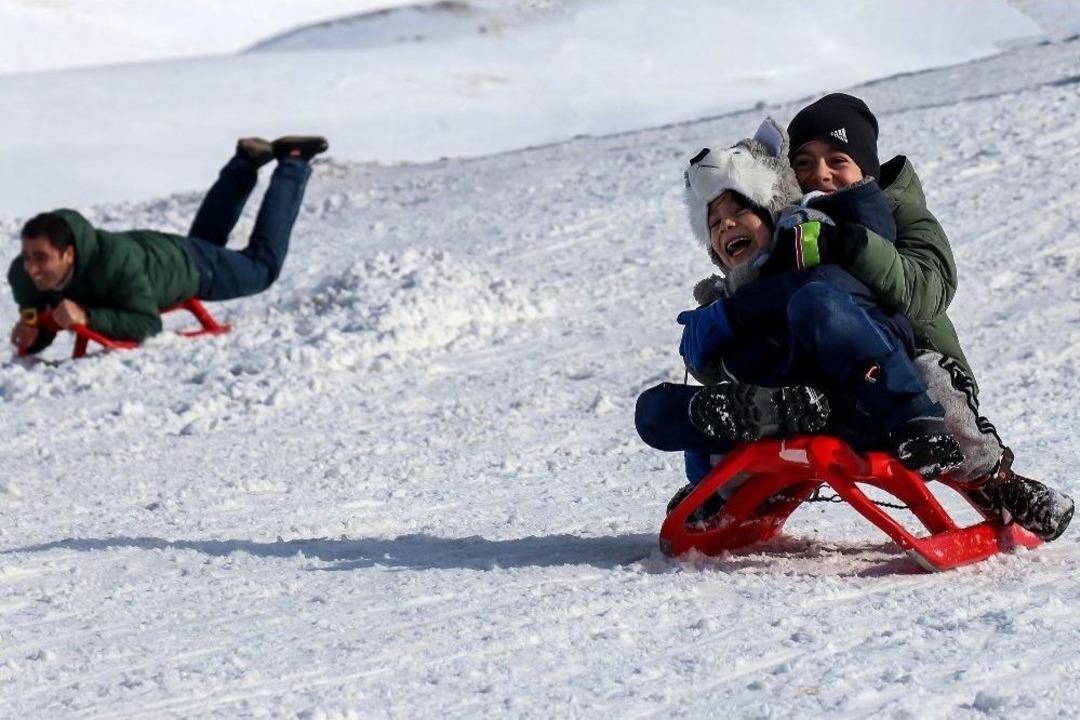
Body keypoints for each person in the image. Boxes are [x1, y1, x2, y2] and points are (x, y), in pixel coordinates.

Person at [776, 92, 1072, 541]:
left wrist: (851, 244)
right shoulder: (789, 230)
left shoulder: (904, 215)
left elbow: (925, 293)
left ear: (866, 169)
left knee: (927, 379)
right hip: (832, 385)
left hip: (914, 368)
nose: (820, 174)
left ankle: (997, 482)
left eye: (837, 159)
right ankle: (743, 489)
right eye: (804, 162)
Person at [635, 118, 963, 519]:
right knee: (653, 410)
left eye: (741, 210)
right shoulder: (725, 299)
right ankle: (730, 467)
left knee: (815, 301)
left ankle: (917, 418)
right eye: (715, 223)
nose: (728, 226)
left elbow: (826, 295)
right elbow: (722, 368)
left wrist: (735, 315)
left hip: (863, 402)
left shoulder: (811, 239)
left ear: (774, 211)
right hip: (787, 410)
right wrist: (702, 352)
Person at [9, 135, 328, 355]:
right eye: (26, 257)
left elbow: (147, 323)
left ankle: (293, 162)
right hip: (157, 252)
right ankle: (246, 162)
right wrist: (35, 335)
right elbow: (38, 315)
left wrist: (88, 317)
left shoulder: (113, 265)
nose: (31, 268)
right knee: (205, 243)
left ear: (69, 253)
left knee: (262, 268)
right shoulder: (23, 276)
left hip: (186, 267)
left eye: (41, 258)